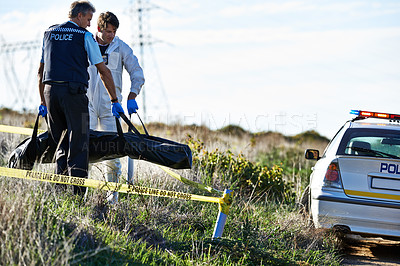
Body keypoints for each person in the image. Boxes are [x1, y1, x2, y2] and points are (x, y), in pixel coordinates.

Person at [37, 1, 125, 196]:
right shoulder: (84, 36)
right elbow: (103, 70)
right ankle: (77, 196)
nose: (89, 24)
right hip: (74, 94)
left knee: (59, 143)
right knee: (79, 144)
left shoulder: (48, 33)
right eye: (88, 19)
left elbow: (41, 71)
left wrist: (42, 100)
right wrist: (114, 100)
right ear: (79, 16)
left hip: (51, 94)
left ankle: (60, 193)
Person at [87, 11, 144, 204]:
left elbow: (137, 72)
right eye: (108, 31)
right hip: (86, 104)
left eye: (114, 31)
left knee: (112, 151)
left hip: (112, 106)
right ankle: (82, 195)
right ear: (98, 28)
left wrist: (132, 95)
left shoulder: (121, 47)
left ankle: (112, 198)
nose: (111, 35)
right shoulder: (86, 43)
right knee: (84, 149)